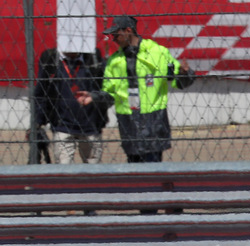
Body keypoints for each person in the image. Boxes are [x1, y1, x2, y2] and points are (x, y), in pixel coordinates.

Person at [94, 15, 194, 163]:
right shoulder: (114, 61)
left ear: (128, 30)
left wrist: (184, 74)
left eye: (116, 34)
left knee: (153, 172)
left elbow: (177, 81)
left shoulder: (157, 52)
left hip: (153, 122)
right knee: (134, 173)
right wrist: (93, 97)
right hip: (128, 123)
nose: (113, 39)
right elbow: (109, 93)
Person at [34, 48, 109, 164]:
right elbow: (41, 92)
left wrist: (96, 98)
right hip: (62, 125)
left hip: (90, 125)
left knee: (93, 171)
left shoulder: (94, 59)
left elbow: (107, 88)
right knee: (64, 171)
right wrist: (38, 122)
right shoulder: (51, 60)